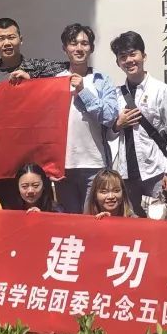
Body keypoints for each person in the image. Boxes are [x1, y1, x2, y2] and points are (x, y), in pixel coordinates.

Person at [108, 31, 167, 216]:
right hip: (126, 173)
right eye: (123, 57)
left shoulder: (161, 90)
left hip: (155, 171)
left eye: (133, 54)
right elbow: (108, 133)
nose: (129, 60)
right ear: (118, 62)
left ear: (143, 56)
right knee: (132, 224)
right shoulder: (116, 94)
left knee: (159, 220)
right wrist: (117, 124)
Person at [56, 23, 120, 213]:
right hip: (63, 166)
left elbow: (110, 117)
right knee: (69, 222)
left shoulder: (102, 80)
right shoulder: (56, 80)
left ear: (91, 48)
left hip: (95, 164)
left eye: (84, 43)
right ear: (65, 48)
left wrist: (83, 91)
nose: (79, 48)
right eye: (73, 43)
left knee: (93, 220)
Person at [0, 17, 67, 87]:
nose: (7, 43)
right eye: (0, 39)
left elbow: (66, 67)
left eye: (11, 37)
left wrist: (31, 79)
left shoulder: (38, 67)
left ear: (21, 40)